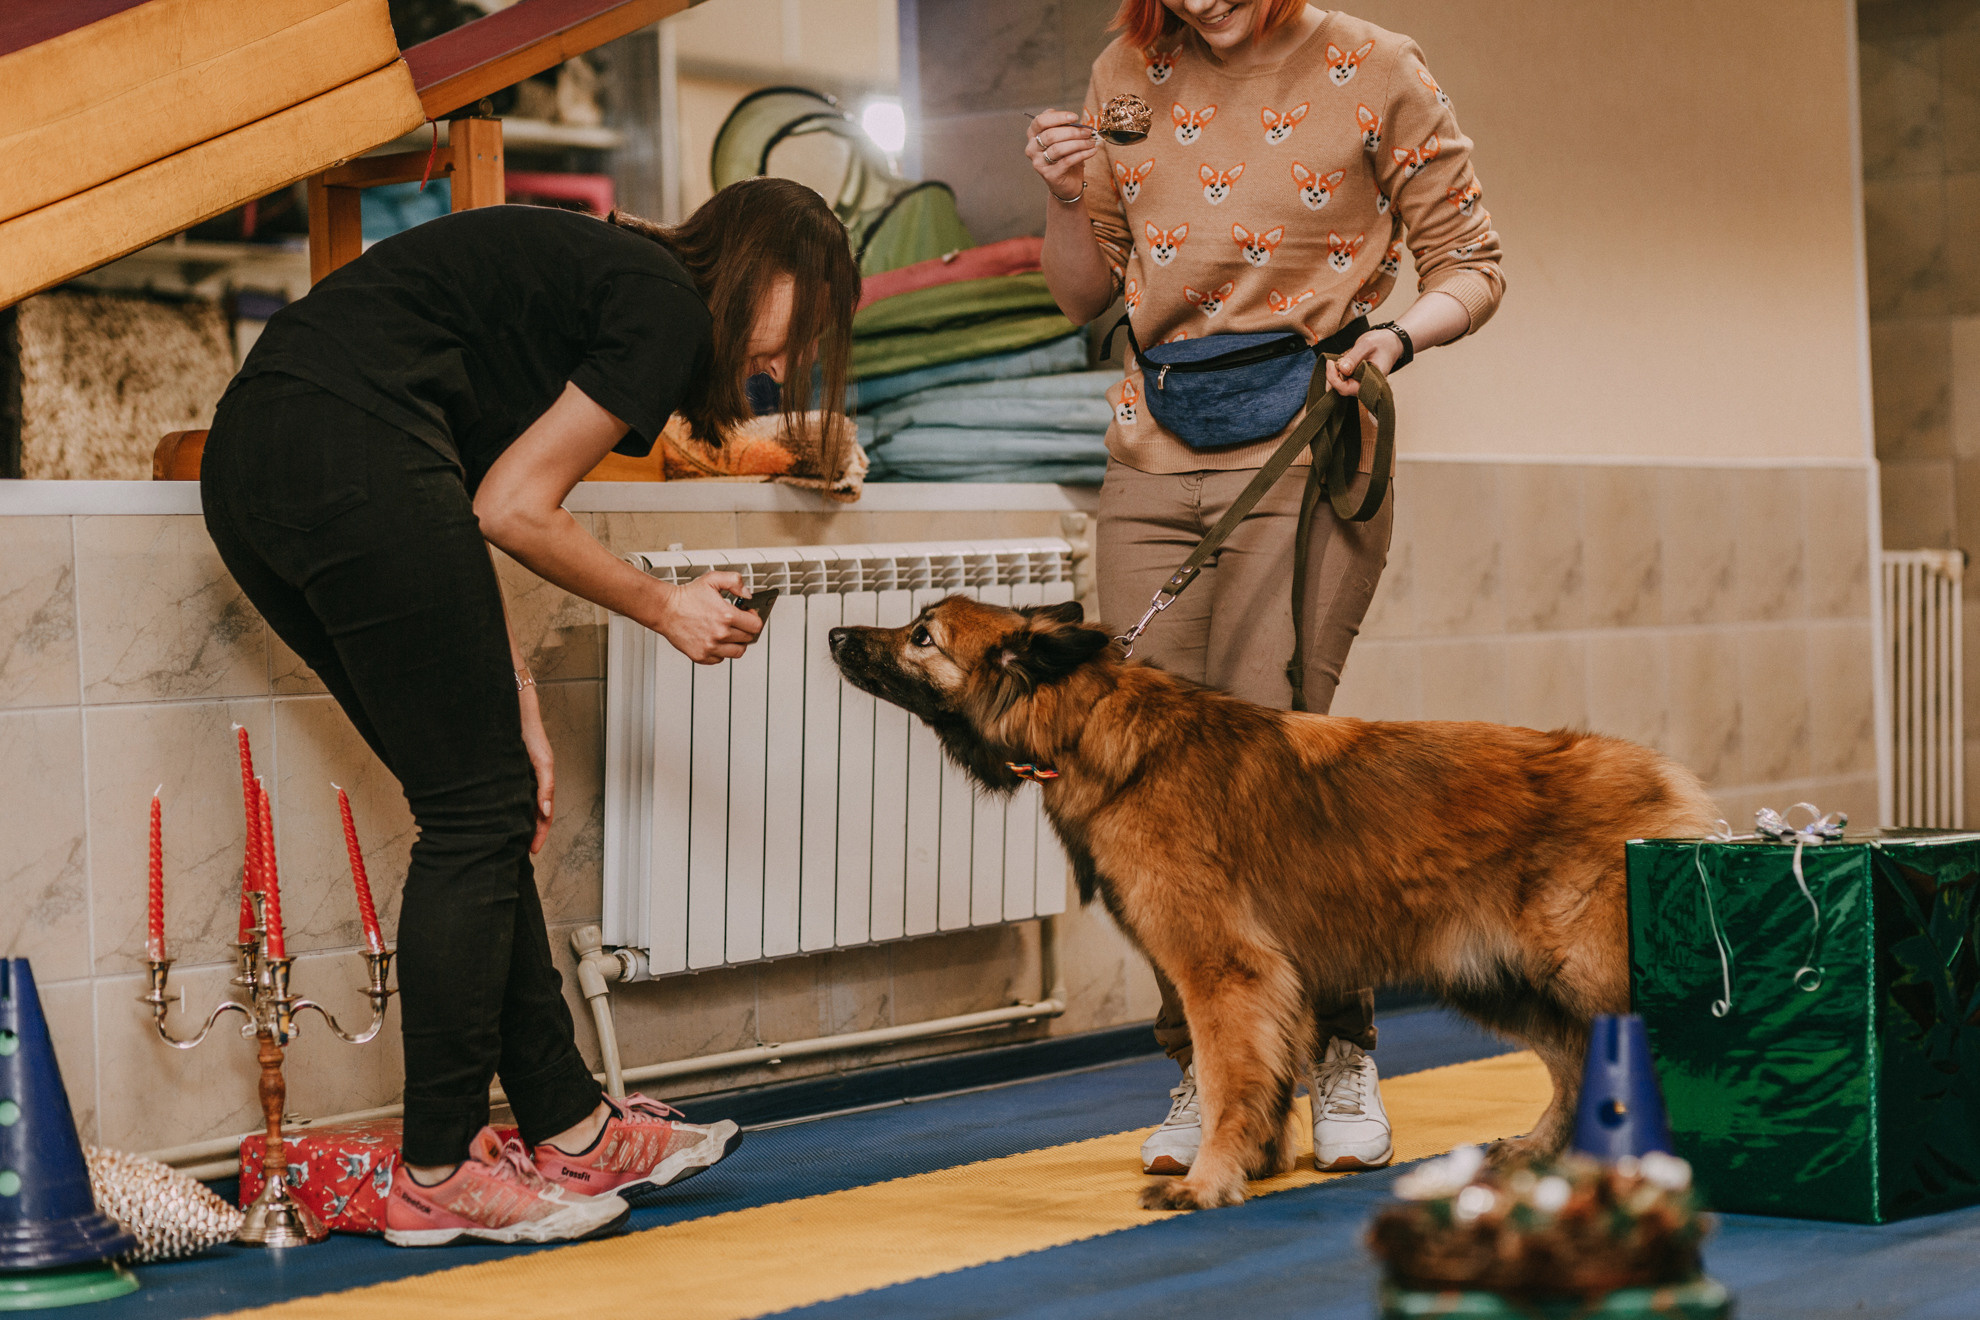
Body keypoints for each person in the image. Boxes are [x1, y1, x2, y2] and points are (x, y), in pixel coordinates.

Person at [200, 180, 860, 1247]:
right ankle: (439, 1166)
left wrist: (516, 699)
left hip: (262, 464)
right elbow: (512, 508)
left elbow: (466, 499)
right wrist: (662, 606)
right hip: (344, 449)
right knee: (477, 815)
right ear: (759, 266)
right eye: (803, 324)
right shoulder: (666, 306)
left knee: (484, 801)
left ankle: (570, 1124)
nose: (784, 366)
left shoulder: (600, 283)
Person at [1027, 0, 1506, 1176]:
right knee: (1138, 786)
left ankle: (1339, 1051)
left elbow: (1473, 266)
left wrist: (1395, 340)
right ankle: (1211, 1064)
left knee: (1272, 784)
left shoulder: (1374, 65)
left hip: (1304, 445)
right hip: (1149, 451)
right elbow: (1083, 296)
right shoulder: (1126, 67)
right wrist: (1063, 195)